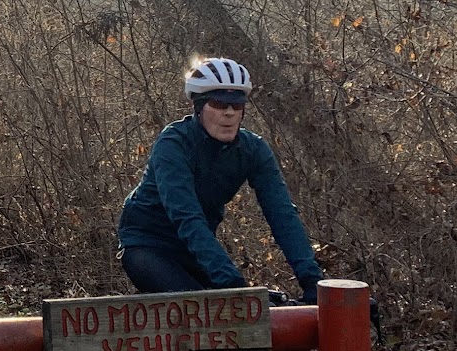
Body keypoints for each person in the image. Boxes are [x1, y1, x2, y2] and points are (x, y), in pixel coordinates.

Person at [117, 57, 321, 300]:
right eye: (218, 103)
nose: (229, 113)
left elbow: (282, 214)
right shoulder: (173, 144)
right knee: (204, 308)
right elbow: (186, 216)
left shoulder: (253, 150)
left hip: (195, 252)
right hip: (148, 246)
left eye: (237, 105)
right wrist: (232, 283)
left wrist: (312, 280)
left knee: (245, 306)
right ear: (199, 107)